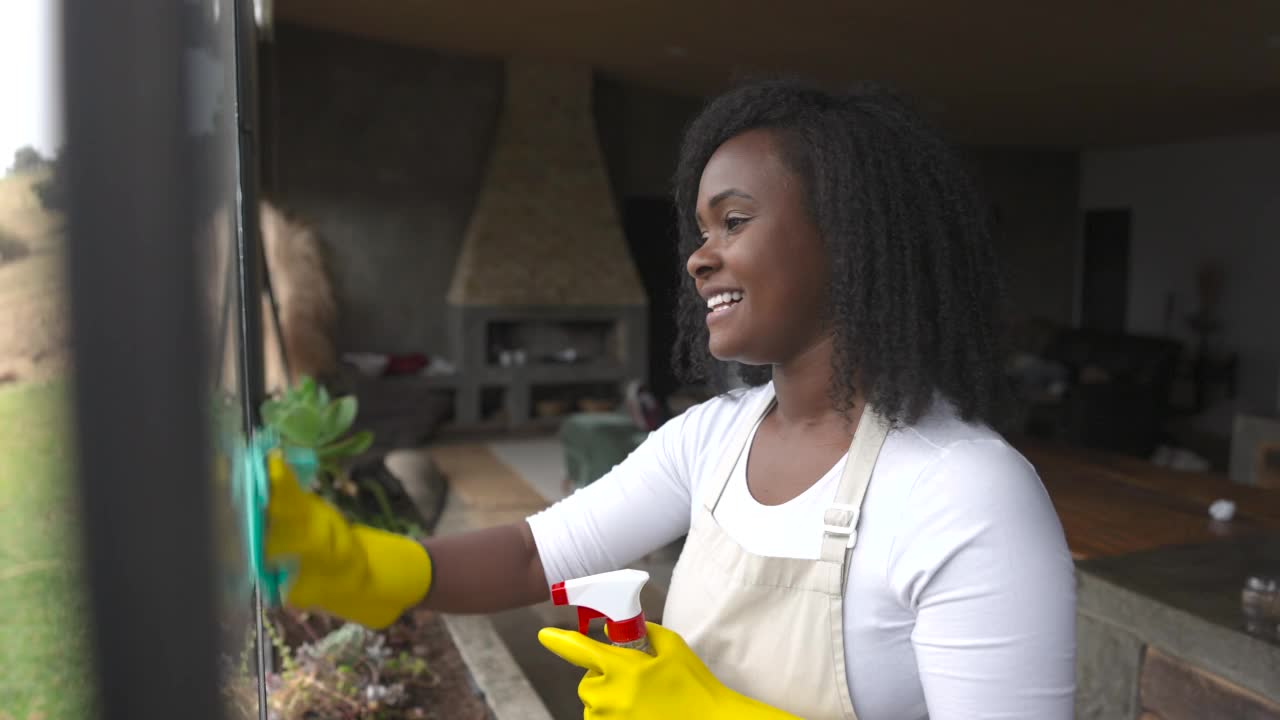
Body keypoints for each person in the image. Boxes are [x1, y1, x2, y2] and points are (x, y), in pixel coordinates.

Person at [264, 79, 1077, 719]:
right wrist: (362, 563)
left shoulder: (965, 492)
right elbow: (529, 556)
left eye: (734, 222)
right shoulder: (712, 440)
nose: (699, 259)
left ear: (849, 236)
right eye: (700, 230)